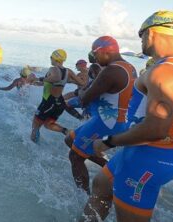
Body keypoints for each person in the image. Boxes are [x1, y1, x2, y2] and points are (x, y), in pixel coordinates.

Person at [81, 11, 173, 222]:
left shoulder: (165, 72)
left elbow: (156, 128)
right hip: (145, 152)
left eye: (141, 35)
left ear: (152, 33)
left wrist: (109, 141)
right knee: (101, 184)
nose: (141, 41)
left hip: (145, 157)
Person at [64, 36, 137, 194]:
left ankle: (83, 197)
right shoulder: (130, 67)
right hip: (117, 120)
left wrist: (81, 91)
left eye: (95, 53)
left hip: (107, 123)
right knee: (70, 139)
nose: (94, 58)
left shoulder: (111, 71)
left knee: (75, 157)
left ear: (106, 51)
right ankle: (108, 167)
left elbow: (84, 99)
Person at [30, 49, 85, 142]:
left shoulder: (53, 69)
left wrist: (37, 78)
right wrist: (35, 82)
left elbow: (56, 78)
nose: (50, 59)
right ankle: (67, 132)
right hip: (60, 102)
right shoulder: (68, 71)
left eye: (51, 57)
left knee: (35, 125)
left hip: (49, 102)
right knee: (48, 124)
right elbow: (82, 83)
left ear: (55, 58)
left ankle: (32, 145)